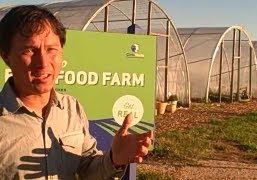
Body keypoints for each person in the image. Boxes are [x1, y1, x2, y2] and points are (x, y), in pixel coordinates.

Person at [0, 5, 152, 179]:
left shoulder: (71, 108)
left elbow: (87, 167)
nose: (43, 63)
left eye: (51, 49)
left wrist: (113, 160)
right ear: (6, 55)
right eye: (29, 50)